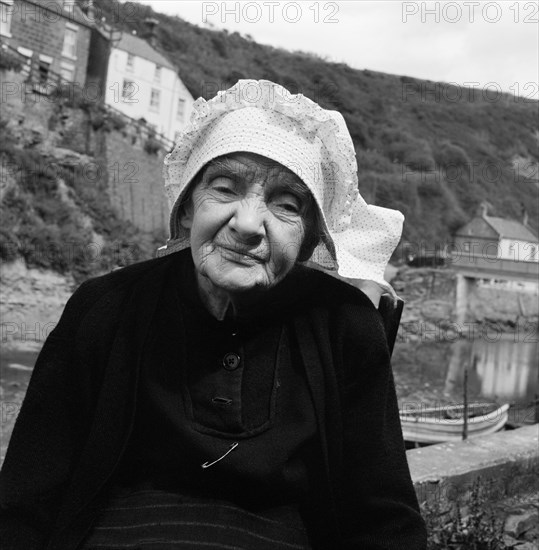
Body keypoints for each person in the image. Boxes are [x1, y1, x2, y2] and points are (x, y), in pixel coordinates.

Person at [0, 80, 427, 549]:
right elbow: (26, 501)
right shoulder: (105, 308)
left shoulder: (345, 328)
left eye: (286, 205)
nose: (247, 224)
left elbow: (384, 518)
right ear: (186, 207)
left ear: (309, 241)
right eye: (225, 188)